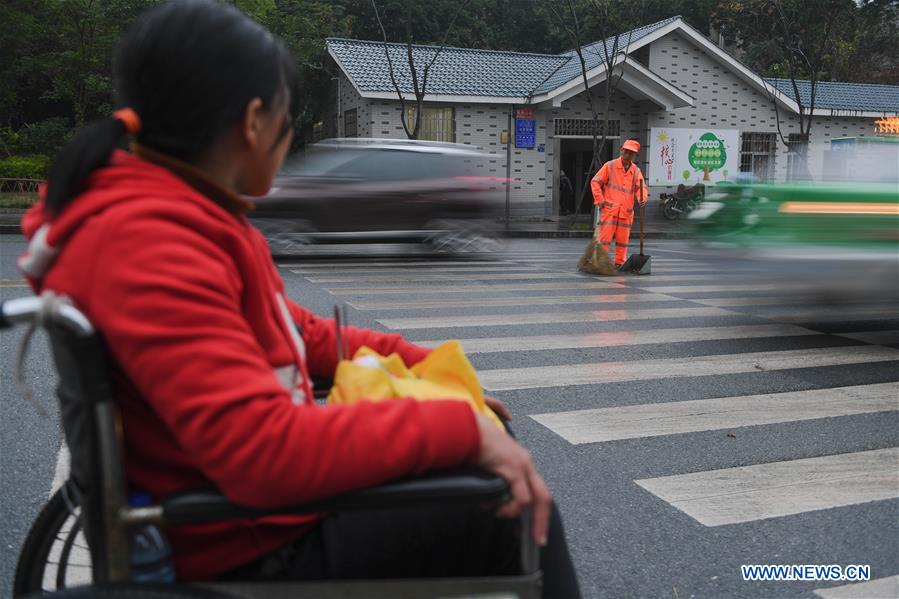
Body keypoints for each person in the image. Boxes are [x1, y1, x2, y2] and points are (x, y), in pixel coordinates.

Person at [17, 1, 579, 596]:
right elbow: (261, 452)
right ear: (255, 121)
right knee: (517, 510)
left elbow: (294, 332)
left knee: (485, 445)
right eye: (290, 122)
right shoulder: (150, 243)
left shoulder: (174, 213)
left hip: (245, 514)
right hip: (247, 544)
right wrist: (462, 430)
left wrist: (425, 366)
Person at [590, 140, 649, 269]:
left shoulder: (636, 171)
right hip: (610, 210)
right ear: (621, 150)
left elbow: (641, 187)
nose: (627, 154)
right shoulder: (610, 166)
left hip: (626, 212)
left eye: (631, 153)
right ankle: (601, 262)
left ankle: (619, 262)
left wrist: (642, 198)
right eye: (626, 151)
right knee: (605, 240)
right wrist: (600, 200)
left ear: (635, 155)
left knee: (623, 241)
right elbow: (595, 182)